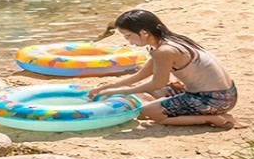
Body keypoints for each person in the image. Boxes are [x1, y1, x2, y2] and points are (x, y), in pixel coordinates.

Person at [86, 10, 241, 128]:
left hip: (214, 100)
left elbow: (158, 84)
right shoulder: (170, 41)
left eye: (128, 36)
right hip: (226, 94)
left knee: (148, 112)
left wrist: (116, 92)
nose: (129, 41)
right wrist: (109, 87)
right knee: (142, 91)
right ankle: (174, 104)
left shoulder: (164, 51)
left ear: (143, 33)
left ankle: (210, 118)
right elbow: (142, 75)